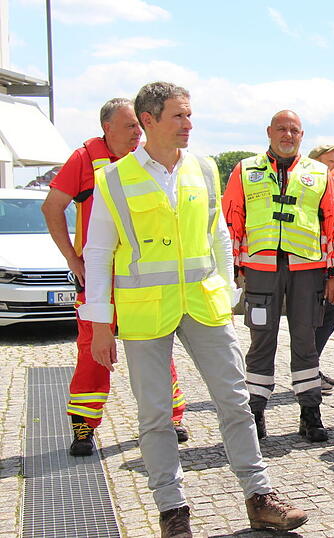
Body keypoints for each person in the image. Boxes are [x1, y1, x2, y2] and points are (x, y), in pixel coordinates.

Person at [81, 81, 308, 536]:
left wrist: (224, 291)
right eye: (178, 116)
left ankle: (259, 496)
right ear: (148, 121)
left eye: (189, 115)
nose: (189, 124)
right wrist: (100, 325)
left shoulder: (204, 169)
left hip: (204, 306)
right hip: (146, 311)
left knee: (235, 401)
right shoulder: (114, 178)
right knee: (155, 415)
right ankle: (173, 511)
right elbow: (97, 253)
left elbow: (218, 235)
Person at [41, 97, 189, 457]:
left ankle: (171, 417)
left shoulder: (149, 158)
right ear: (106, 128)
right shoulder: (84, 159)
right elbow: (51, 207)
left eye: (140, 126)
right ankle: (83, 426)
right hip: (99, 275)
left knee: (156, 345)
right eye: (130, 126)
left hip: (142, 275)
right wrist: (73, 259)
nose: (137, 132)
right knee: (94, 351)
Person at [222, 111, 334, 442]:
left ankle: (310, 413)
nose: (287, 134)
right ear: (269, 132)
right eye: (282, 128)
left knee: (305, 340)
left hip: (308, 270)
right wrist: (232, 267)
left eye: (294, 130)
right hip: (261, 270)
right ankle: (256, 412)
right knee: (261, 340)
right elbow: (231, 219)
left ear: (302, 135)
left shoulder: (320, 173)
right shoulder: (245, 170)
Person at [307, 143, 334, 395]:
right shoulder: (313, 188)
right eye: (329, 162)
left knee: (328, 315)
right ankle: (309, 371)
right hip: (313, 264)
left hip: (328, 262)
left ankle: (312, 367)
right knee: (322, 317)